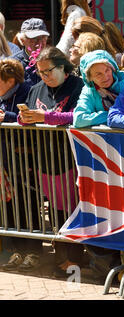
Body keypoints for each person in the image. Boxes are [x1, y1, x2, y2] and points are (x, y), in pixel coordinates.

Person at [18, 46, 85, 277]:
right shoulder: (36, 89)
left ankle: (75, 259)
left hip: (71, 159)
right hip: (44, 160)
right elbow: (26, 120)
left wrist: (44, 117)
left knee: (73, 209)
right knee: (56, 212)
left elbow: (79, 116)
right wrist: (24, 118)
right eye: (41, 72)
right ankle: (60, 259)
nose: (45, 76)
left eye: (48, 71)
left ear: (63, 67)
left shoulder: (78, 85)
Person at [0, 59, 39, 273]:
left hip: (26, 158)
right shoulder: (3, 96)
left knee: (28, 202)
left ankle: (33, 252)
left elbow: (31, 117)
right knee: (10, 204)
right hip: (7, 160)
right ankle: (17, 250)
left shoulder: (27, 91)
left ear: (10, 80)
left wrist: (9, 116)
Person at [73, 50, 124, 128]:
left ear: (112, 68)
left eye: (107, 70)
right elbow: (79, 120)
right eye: (99, 74)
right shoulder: (89, 91)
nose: (105, 77)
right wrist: (113, 116)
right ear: (90, 78)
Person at [11, 18, 49, 86]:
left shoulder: (53, 60)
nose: (39, 43)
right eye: (34, 38)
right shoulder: (13, 65)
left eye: (43, 37)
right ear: (22, 40)